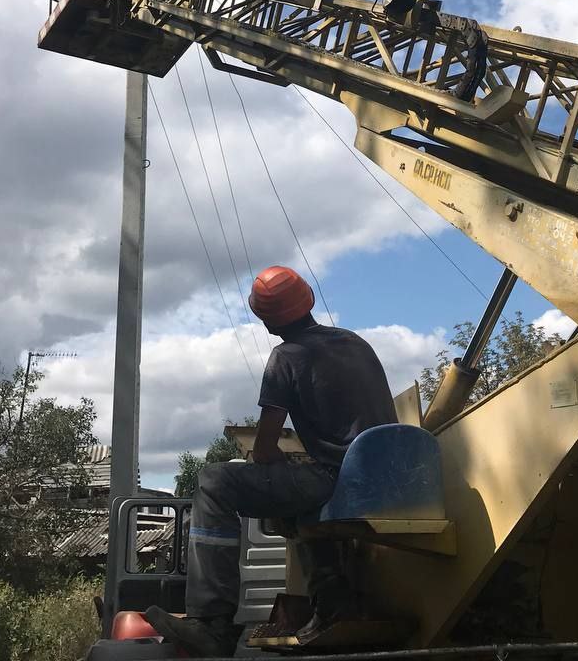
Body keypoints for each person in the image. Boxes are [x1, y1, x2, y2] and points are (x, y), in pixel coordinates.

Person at [146, 266, 397, 656]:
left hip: (338, 477)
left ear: (266, 321)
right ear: (309, 300)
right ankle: (333, 601)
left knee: (215, 482)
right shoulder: (356, 343)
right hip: (385, 474)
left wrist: (278, 467)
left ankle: (212, 624)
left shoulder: (286, 357)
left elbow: (263, 450)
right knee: (297, 500)